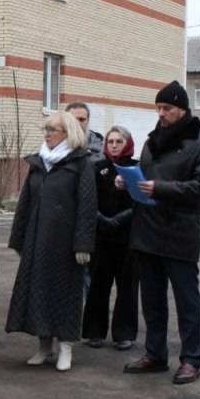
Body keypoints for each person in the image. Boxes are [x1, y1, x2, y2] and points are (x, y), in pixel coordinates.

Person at [119, 80, 200, 384]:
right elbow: (147, 177)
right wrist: (128, 183)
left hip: (180, 234)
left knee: (187, 302)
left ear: (183, 110)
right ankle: (155, 353)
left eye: (167, 108)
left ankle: (191, 359)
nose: (161, 113)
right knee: (151, 300)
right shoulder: (152, 142)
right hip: (147, 232)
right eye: (159, 107)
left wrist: (160, 188)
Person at [6, 111, 97, 371]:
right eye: (45, 129)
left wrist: (83, 244)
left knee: (64, 295)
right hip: (37, 241)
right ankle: (43, 347)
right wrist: (19, 238)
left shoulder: (80, 163)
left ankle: (65, 348)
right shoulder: (39, 162)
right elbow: (25, 203)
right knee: (38, 292)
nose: (46, 134)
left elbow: (87, 207)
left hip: (65, 245)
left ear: (68, 133)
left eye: (52, 130)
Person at [82, 126, 140, 351]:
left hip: (127, 238)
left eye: (119, 141)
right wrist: (103, 220)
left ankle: (124, 333)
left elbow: (140, 203)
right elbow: (88, 200)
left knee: (127, 287)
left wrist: (120, 219)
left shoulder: (136, 168)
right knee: (98, 285)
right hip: (102, 236)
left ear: (128, 144)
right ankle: (94, 332)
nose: (114, 145)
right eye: (111, 141)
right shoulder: (97, 168)